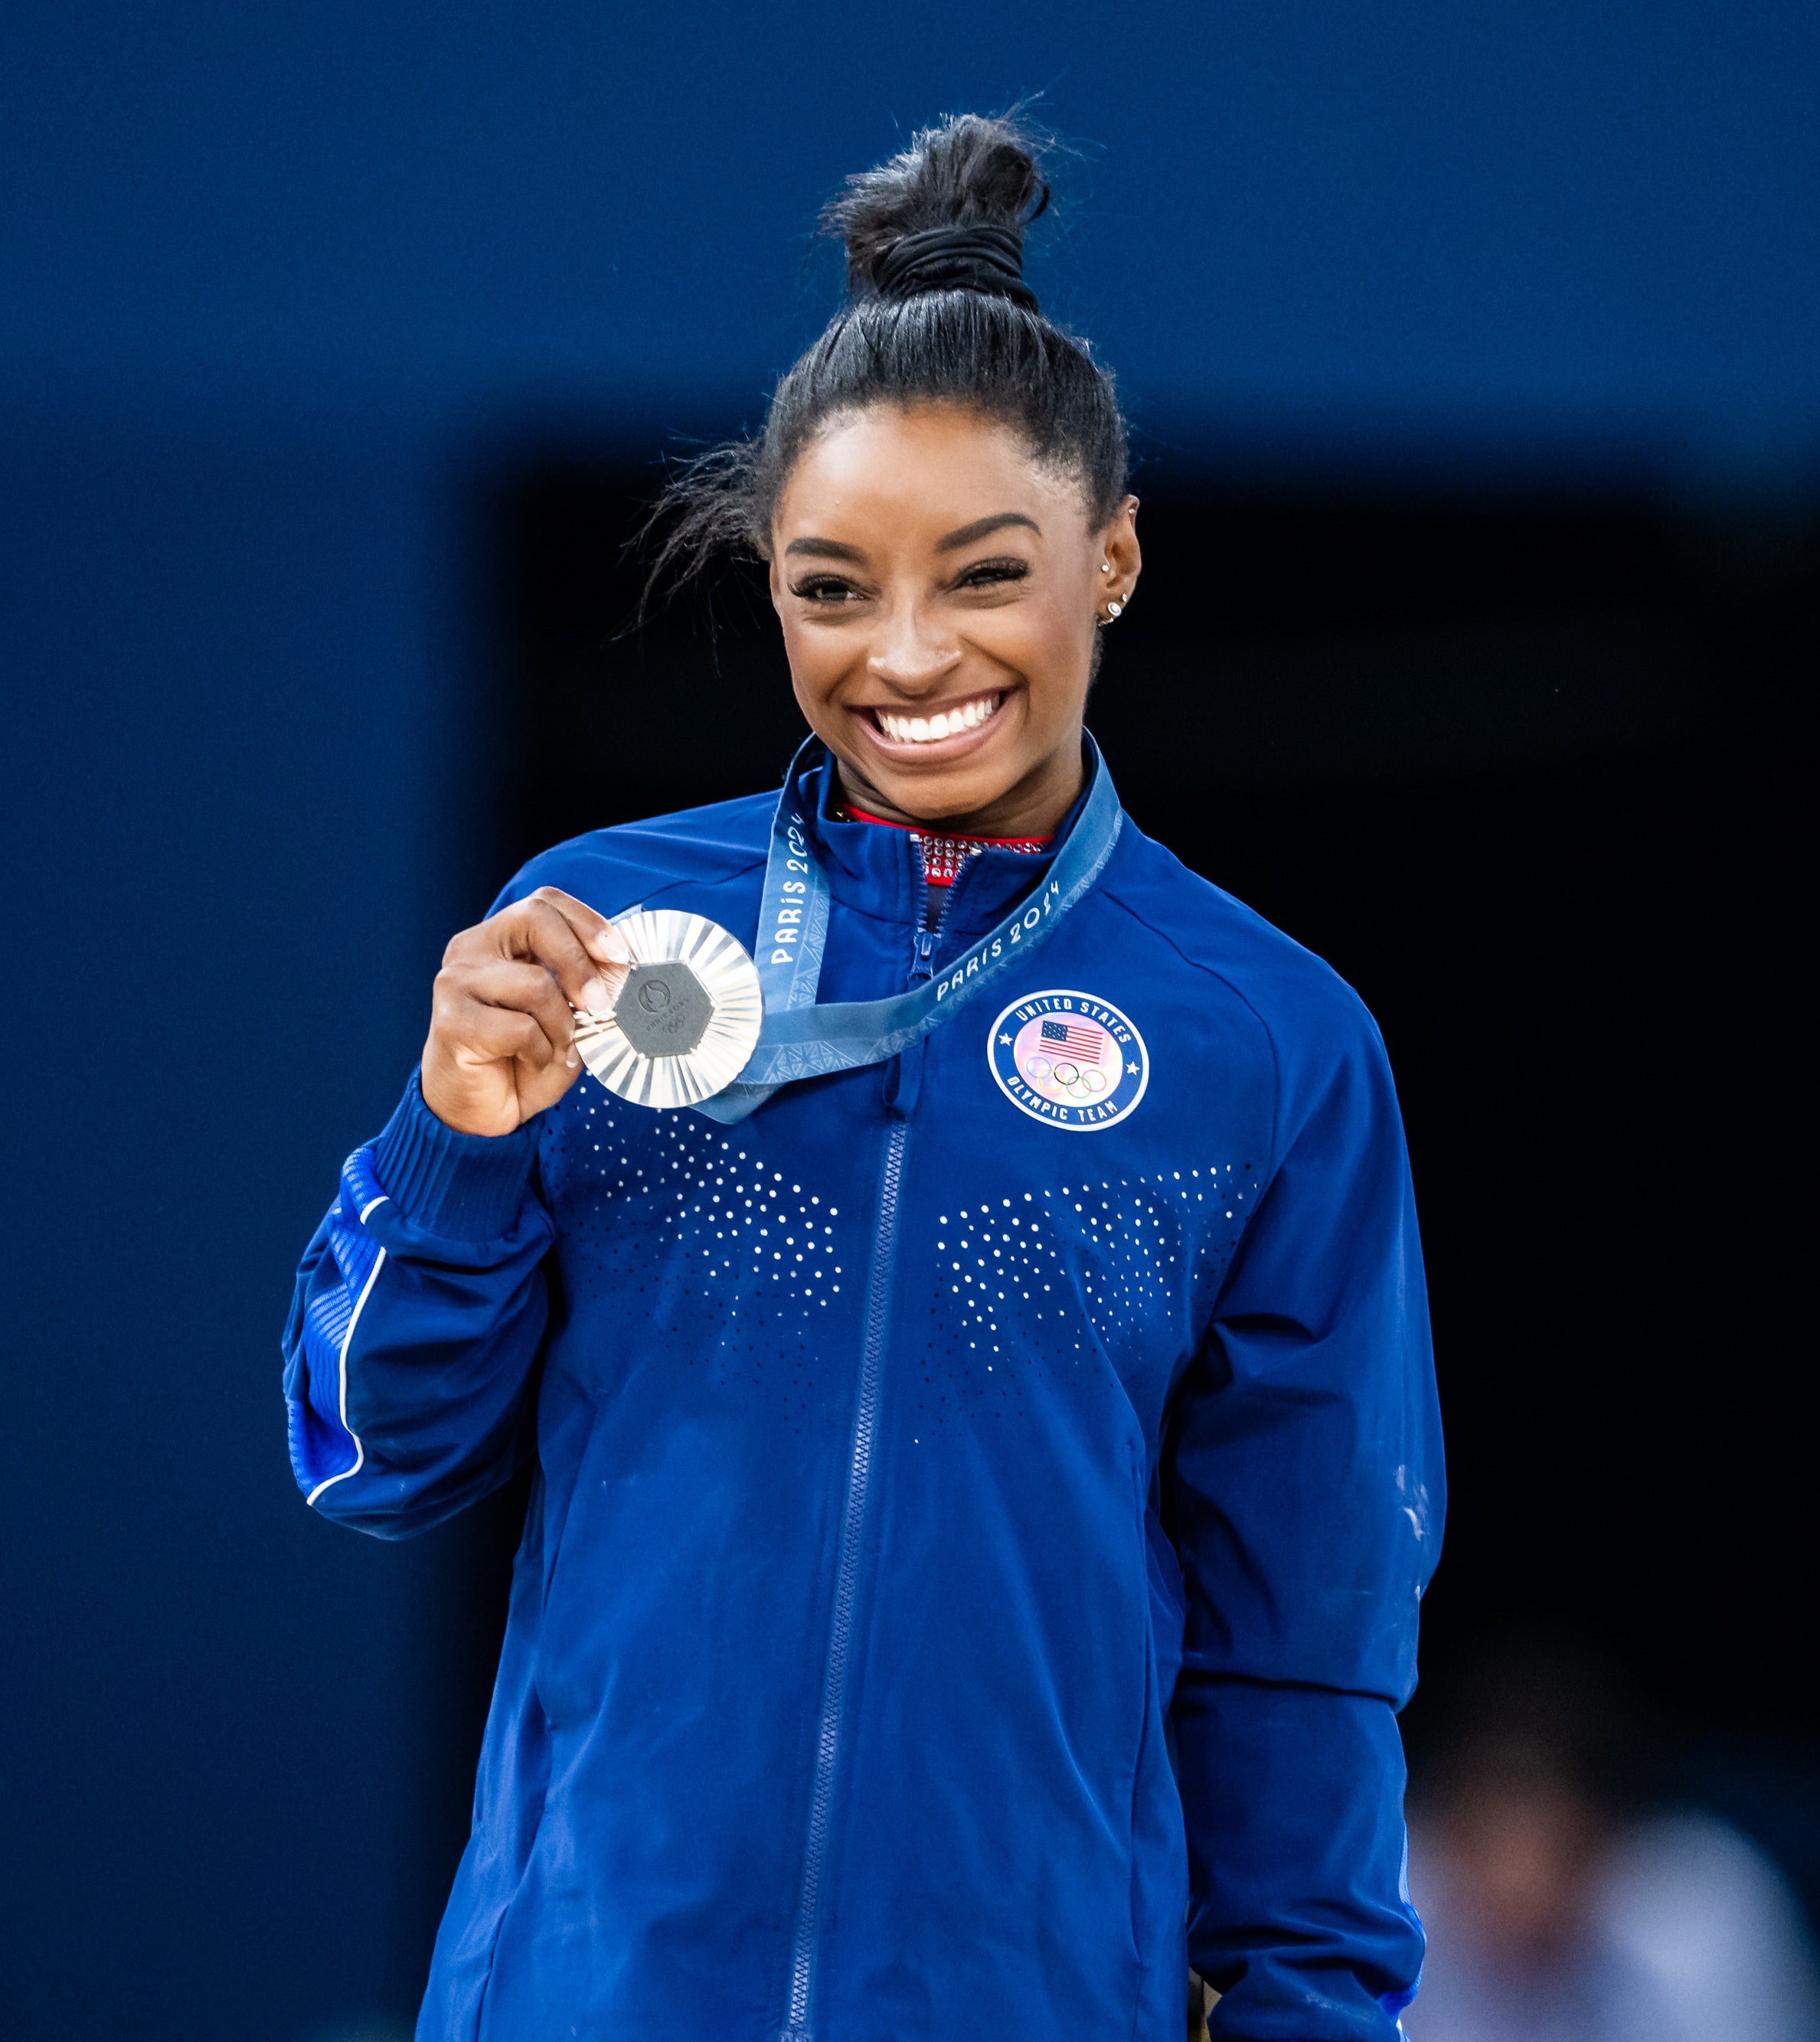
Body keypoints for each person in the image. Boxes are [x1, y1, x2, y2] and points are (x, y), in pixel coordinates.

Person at [283, 113, 1444, 2041]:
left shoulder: (1267, 1035)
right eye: (831, 588)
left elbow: (1306, 1632)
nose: (907, 656)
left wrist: (1317, 2015)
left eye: (985, 576)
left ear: (1116, 559)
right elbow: (373, 1456)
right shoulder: (586, 933)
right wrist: (451, 1146)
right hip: (590, 1991)